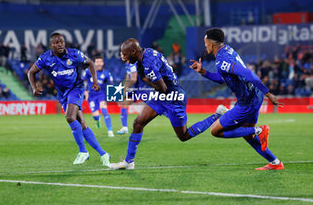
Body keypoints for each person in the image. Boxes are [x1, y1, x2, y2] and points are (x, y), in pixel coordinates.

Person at [109, 38, 228, 170]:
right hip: (161, 97)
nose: (122, 57)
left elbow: (162, 88)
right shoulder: (145, 54)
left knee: (184, 136)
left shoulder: (148, 63)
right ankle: (129, 162)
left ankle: (217, 115)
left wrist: (145, 81)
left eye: (124, 54)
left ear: (133, 52)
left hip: (174, 97)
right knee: (138, 123)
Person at [190, 28, 284, 170]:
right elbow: (223, 78)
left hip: (247, 103)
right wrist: (203, 72)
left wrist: (268, 93)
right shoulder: (227, 50)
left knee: (215, 131)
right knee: (248, 134)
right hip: (254, 96)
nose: (205, 46)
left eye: (205, 43)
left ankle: (260, 130)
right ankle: (275, 163)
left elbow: (247, 72)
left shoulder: (222, 60)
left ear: (212, 44)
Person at [28, 32, 110, 166]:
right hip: (62, 94)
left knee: (70, 117)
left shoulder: (74, 54)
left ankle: (83, 152)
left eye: (62, 41)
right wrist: (34, 87)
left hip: (76, 89)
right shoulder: (45, 58)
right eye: (56, 42)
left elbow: (90, 63)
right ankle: (104, 154)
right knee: (82, 124)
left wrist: (95, 81)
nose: (60, 44)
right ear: (51, 45)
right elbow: (31, 72)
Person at [83, 56, 115, 137]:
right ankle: (97, 120)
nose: (98, 63)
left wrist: (114, 94)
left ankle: (110, 131)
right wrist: (85, 91)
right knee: (96, 116)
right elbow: (83, 81)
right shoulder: (88, 71)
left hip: (101, 95)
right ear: (94, 63)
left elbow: (111, 84)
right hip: (91, 96)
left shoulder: (107, 73)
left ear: (103, 63)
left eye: (100, 62)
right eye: (97, 62)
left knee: (104, 110)